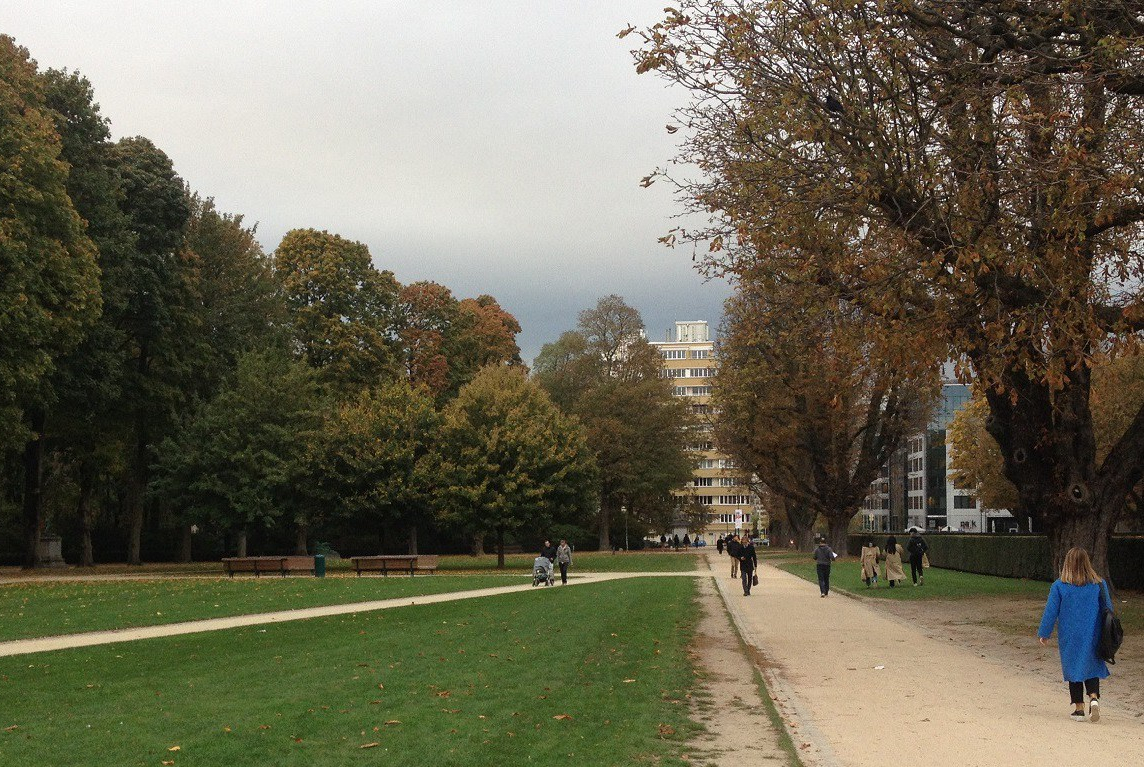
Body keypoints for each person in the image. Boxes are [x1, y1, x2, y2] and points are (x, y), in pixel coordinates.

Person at [1037, 547, 1113, 722]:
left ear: (1067, 564)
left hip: (1070, 634)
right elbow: (1107, 608)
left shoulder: (1059, 586)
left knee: (1073, 668)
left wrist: (1044, 632)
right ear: (1087, 563)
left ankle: (1079, 708)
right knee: (1091, 665)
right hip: (1093, 632)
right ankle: (1093, 697)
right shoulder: (1099, 584)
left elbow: (1051, 611)